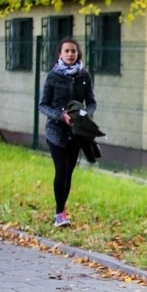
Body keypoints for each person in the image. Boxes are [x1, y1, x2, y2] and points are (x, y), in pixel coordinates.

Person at [38, 37, 97, 228]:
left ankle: (62, 211)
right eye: (67, 51)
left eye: (73, 51)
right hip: (56, 131)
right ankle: (59, 214)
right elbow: (43, 105)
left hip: (76, 132)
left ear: (78, 53)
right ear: (60, 54)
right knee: (61, 169)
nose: (70, 54)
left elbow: (92, 102)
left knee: (69, 171)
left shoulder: (84, 76)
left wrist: (83, 115)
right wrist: (61, 116)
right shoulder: (53, 76)